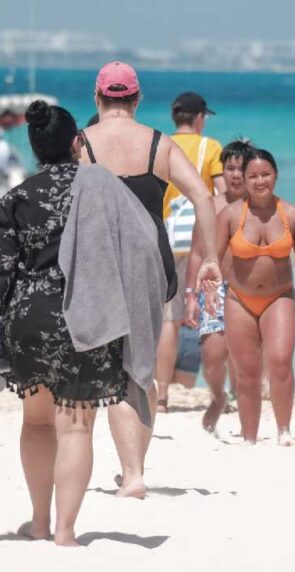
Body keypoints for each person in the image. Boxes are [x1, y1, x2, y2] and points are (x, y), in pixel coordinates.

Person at [0, 100, 141, 546]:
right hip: (84, 314)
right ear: (78, 141)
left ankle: (39, 522)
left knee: (37, 423)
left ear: (36, 147)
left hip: (29, 319)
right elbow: (137, 247)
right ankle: (65, 531)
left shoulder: (17, 197)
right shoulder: (103, 188)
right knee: (76, 425)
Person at [78, 61, 222, 498]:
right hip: (151, 263)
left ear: (97, 98)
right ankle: (134, 469)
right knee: (140, 368)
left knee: (111, 369)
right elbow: (203, 197)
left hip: (98, 262)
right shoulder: (159, 144)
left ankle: (133, 474)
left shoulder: (81, 144)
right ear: (137, 100)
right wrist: (211, 258)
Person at [210, 149, 295, 445]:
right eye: (253, 176)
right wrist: (207, 294)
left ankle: (284, 431)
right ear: (243, 180)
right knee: (247, 373)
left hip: (279, 296)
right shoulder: (230, 216)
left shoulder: (293, 214)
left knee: (280, 362)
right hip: (238, 299)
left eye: (266, 174)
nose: (260, 181)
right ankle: (249, 438)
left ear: (276, 175)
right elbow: (213, 259)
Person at [155, 91, 226, 412]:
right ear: (199, 118)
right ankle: (218, 394)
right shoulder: (209, 147)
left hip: (165, 238)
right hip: (199, 240)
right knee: (211, 315)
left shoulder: (159, 145)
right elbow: (222, 196)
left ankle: (161, 396)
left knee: (169, 319)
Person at [184, 139, 254, 431]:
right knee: (213, 357)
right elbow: (197, 252)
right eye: (230, 168)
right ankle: (218, 396)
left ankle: (246, 413)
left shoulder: (260, 206)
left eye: (241, 168)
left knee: (246, 357)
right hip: (214, 289)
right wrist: (190, 294)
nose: (235, 175)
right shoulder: (209, 207)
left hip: (250, 289)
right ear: (221, 171)